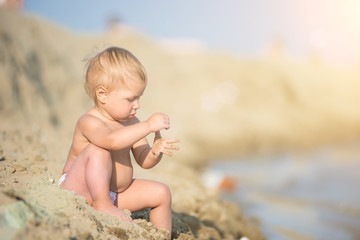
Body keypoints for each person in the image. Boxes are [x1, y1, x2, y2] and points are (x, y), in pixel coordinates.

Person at [58, 46, 179, 237]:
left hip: (115, 194)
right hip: (80, 189)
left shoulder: (132, 123)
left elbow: (144, 161)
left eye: (139, 97)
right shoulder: (89, 122)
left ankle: (162, 236)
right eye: (130, 99)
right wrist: (148, 125)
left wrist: (155, 151)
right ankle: (103, 204)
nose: (137, 105)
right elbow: (111, 141)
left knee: (162, 193)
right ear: (102, 95)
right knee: (99, 149)